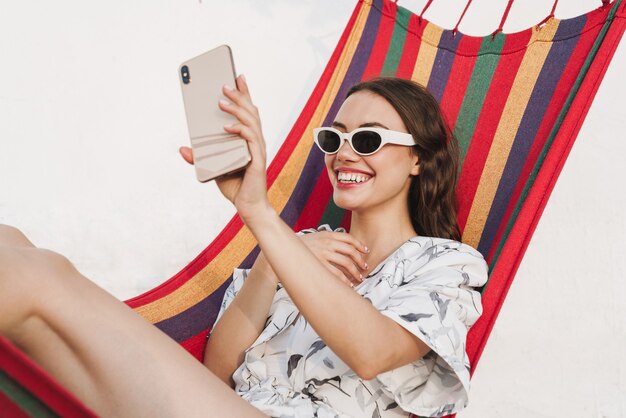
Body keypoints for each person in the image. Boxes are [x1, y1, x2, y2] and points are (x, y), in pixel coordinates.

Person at [0, 75, 487, 417]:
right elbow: (218, 373)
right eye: (333, 138)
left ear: (419, 159)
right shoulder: (294, 249)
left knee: (41, 277)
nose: (343, 153)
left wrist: (258, 213)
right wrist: (272, 266)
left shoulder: (448, 265)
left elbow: (371, 352)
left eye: (367, 140)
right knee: (10, 242)